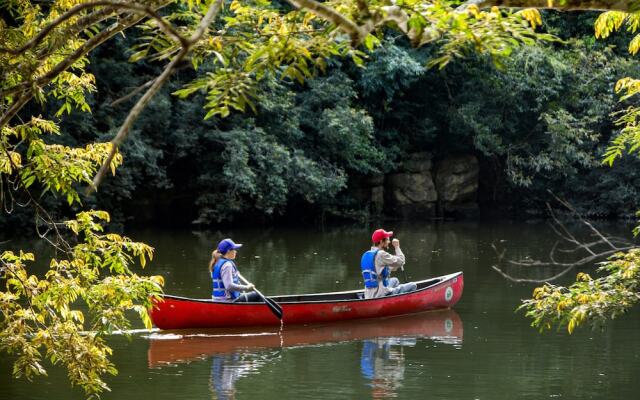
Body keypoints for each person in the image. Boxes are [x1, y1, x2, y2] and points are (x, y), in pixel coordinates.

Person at [361, 229, 417, 299]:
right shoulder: (381, 254)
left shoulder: (366, 254)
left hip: (369, 294)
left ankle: (395, 298)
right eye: (387, 240)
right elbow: (401, 261)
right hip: (380, 294)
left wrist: (394, 265)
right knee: (413, 285)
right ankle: (394, 300)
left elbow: (382, 269)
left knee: (395, 280)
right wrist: (397, 247)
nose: (389, 242)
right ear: (381, 241)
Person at [209, 238, 261, 302]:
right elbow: (229, 286)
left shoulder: (217, 262)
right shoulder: (227, 265)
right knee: (257, 295)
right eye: (234, 249)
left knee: (247, 295)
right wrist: (247, 287)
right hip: (228, 300)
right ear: (228, 251)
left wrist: (234, 274)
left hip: (217, 299)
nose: (236, 251)